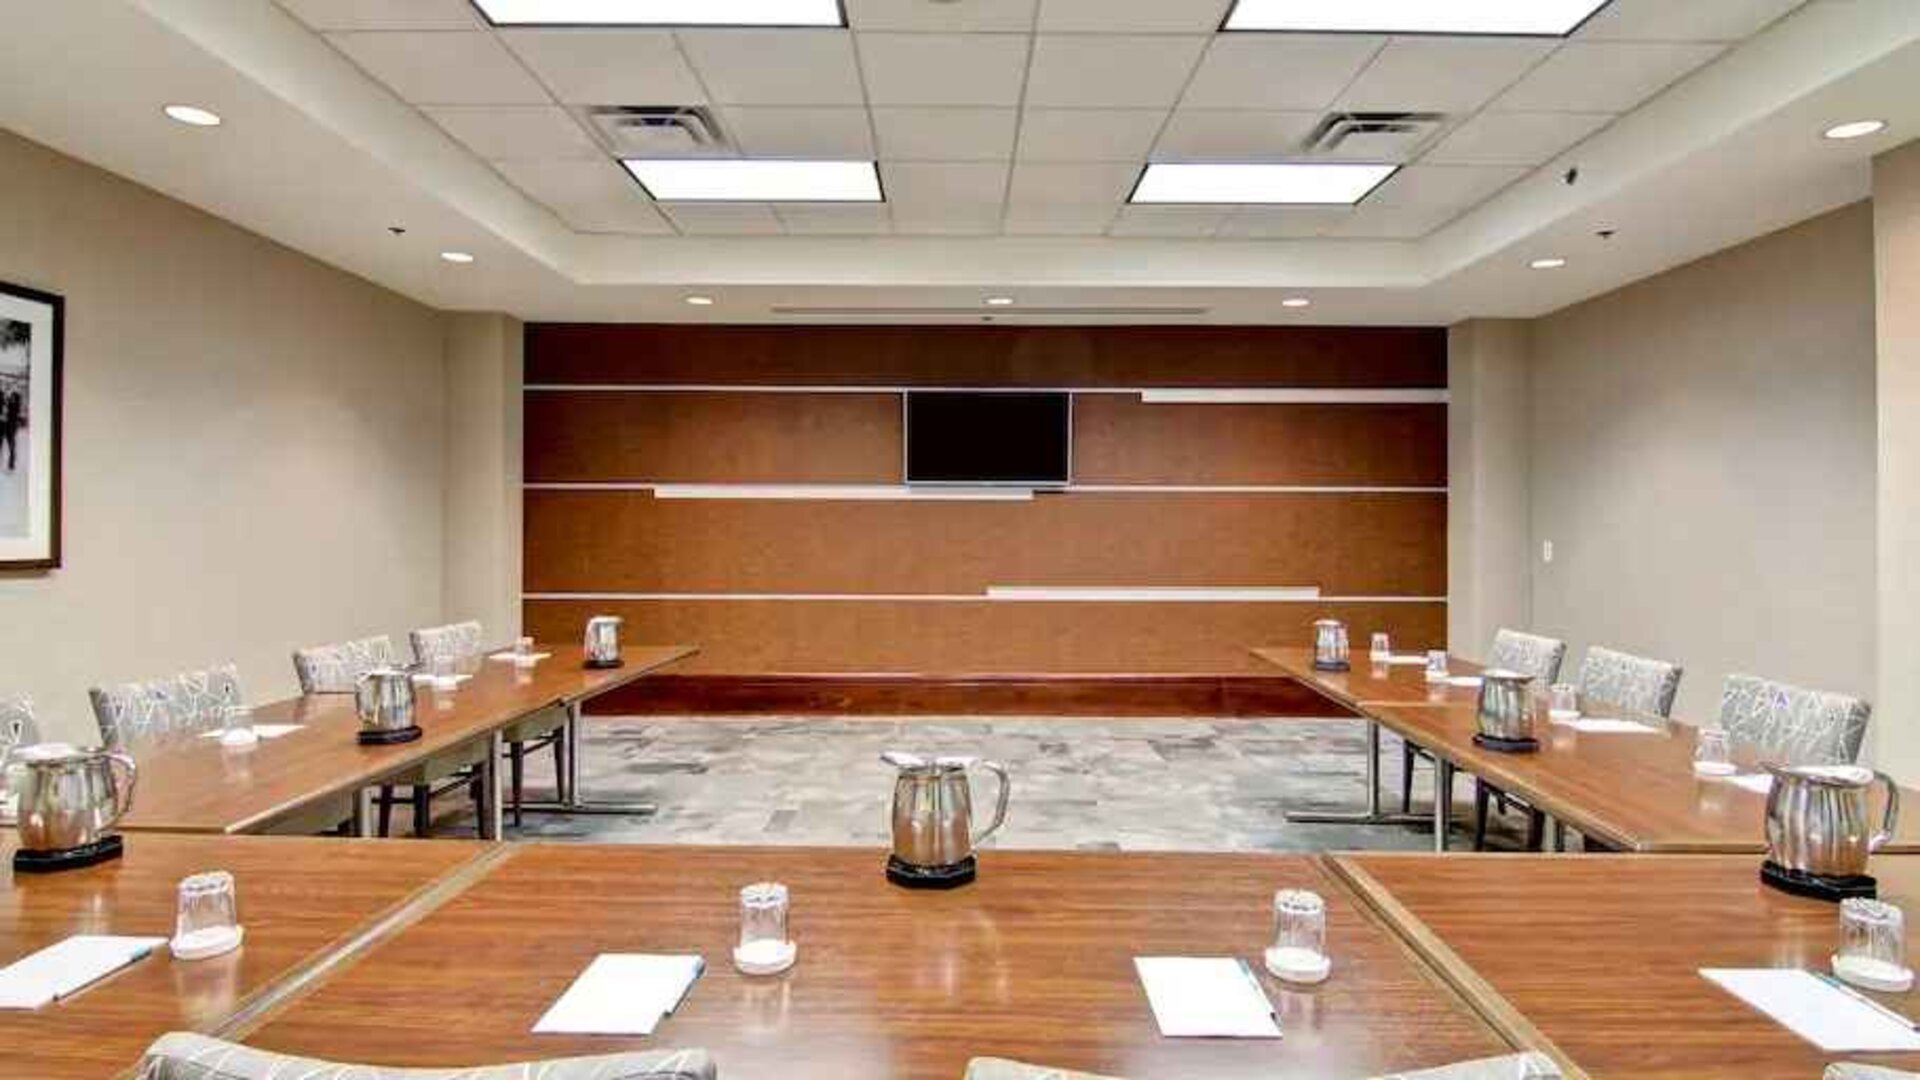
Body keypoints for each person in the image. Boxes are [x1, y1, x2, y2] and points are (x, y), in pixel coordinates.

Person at [1, 389, 19, 471]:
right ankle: (10, 463)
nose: (11, 398)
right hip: (4, 427)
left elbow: (11, 416)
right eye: (11, 397)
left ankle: (11, 464)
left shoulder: (15, 406)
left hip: (10, 428)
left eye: (13, 397)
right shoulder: (7, 403)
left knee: (11, 446)